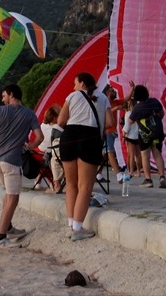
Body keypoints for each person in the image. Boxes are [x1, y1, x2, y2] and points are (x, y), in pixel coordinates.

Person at [0, 83, 42, 247]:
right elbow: (39, 137)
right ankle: (0, 237)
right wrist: (30, 146)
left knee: (8, 195)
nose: (2, 99)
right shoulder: (30, 114)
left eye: (4, 95)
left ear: (11, 94)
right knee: (13, 197)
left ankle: (9, 228)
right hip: (12, 161)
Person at [57, 72, 108, 239]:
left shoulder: (72, 96)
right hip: (90, 137)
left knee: (71, 184)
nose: (74, 87)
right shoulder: (103, 97)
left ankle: (71, 224)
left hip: (69, 136)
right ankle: (78, 229)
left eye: (75, 83)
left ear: (83, 84)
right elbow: (111, 123)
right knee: (85, 187)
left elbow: (60, 121)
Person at [128, 85, 166, 189]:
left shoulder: (137, 108)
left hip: (145, 134)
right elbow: (162, 114)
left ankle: (148, 179)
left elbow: (130, 121)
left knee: (145, 156)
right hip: (157, 131)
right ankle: (162, 177)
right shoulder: (155, 101)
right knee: (157, 154)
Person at [38, 105, 64, 193]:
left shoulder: (42, 125)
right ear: (55, 117)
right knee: (56, 157)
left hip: (40, 152)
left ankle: (41, 179)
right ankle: (57, 183)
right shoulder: (57, 129)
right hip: (50, 153)